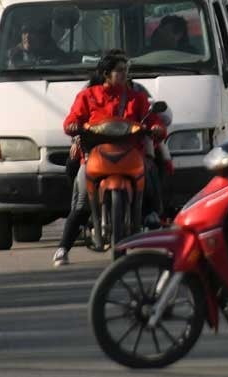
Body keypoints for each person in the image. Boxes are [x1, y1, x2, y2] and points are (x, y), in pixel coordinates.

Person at [52, 50, 164, 266]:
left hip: (131, 155)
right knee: (81, 200)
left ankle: (152, 215)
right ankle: (63, 248)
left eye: (126, 71)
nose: (125, 75)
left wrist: (157, 128)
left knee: (150, 174)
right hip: (95, 157)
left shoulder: (136, 97)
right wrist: (74, 126)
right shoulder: (87, 96)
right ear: (106, 74)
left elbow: (154, 121)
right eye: (120, 71)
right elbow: (71, 120)